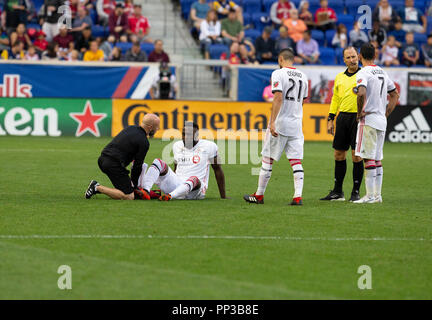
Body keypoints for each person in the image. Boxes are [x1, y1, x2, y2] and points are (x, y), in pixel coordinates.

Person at [244, 48, 308, 206]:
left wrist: (272, 121)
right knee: (296, 161)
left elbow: (278, 97)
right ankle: (297, 197)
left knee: (267, 159)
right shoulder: (304, 76)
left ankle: (259, 195)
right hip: (296, 124)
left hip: (281, 123)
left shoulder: (278, 74)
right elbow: (303, 100)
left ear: (280, 59)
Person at [353, 43, 399, 203]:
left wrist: (359, 113)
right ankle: (377, 195)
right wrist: (386, 113)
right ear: (375, 55)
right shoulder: (382, 72)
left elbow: (361, 93)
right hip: (381, 120)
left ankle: (370, 195)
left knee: (368, 158)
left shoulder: (364, 72)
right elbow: (395, 94)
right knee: (377, 158)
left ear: (360, 56)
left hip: (369, 119)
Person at [136, 121, 227, 201]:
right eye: (184, 134)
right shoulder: (177, 145)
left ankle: (170, 196)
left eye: (189, 135)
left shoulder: (210, 146)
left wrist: (223, 196)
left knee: (194, 178)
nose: (185, 137)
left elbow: (217, 169)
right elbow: (176, 169)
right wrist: (169, 181)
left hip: (195, 191)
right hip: (178, 185)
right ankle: (146, 191)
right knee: (158, 162)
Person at [320, 47, 364, 202]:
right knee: (338, 154)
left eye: (354, 57)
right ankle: (338, 192)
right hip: (343, 118)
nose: (352, 60)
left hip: (358, 119)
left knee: (356, 156)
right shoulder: (339, 77)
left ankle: (356, 191)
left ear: (358, 57)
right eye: (349, 57)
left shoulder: (364, 75)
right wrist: (331, 118)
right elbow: (335, 99)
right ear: (344, 60)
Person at [85, 114, 160, 200]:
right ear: (150, 127)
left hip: (102, 159)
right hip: (113, 165)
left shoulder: (130, 128)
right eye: (156, 127)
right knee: (129, 196)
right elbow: (137, 166)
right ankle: (97, 187)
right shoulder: (144, 142)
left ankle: (110, 188)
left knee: (124, 188)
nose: (157, 129)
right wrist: (134, 186)